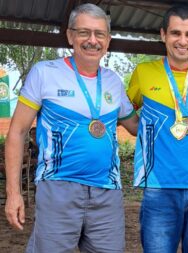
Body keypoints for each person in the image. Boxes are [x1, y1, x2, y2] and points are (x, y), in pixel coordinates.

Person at [4, 3, 138, 252]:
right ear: (70, 35)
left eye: (99, 34)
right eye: (84, 32)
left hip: (107, 193)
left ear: (108, 41)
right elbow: (17, 132)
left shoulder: (113, 82)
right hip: (58, 188)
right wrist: (14, 194)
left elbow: (135, 127)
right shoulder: (44, 73)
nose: (92, 40)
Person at [127, 4, 188, 253]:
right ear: (163, 35)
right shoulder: (143, 72)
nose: (183, 41)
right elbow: (125, 115)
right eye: (176, 33)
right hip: (159, 187)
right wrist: (146, 136)